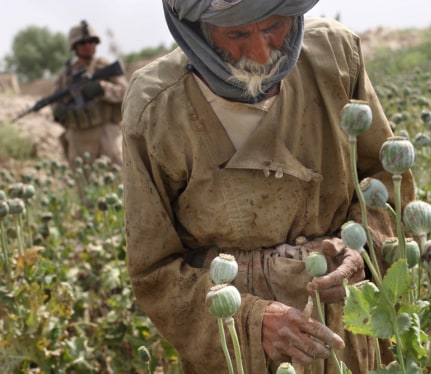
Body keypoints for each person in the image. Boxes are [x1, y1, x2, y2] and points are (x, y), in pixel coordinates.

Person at [121, 1, 415, 373]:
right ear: (195, 30)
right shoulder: (156, 107)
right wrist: (250, 322)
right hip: (235, 351)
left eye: (274, 26)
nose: (261, 52)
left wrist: (365, 249)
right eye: (237, 34)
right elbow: (154, 271)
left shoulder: (335, 56)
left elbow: (387, 178)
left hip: (350, 326)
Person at [52, 20, 127, 170]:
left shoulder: (105, 67)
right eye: (82, 43)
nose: (88, 46)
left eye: (91, 41)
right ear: (74, 46)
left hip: (106, 132)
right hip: (78, 136)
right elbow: (55, 102)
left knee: (117, 177)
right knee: (83, 185)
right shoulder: (66, 76)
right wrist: (59, 110)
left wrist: (102, 88)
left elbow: (125, 92)